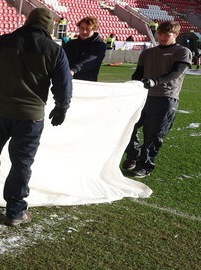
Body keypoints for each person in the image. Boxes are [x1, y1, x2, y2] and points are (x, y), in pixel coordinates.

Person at [0, 8, 72, 226]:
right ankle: (15, 211)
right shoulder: (54, 49)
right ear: (49, 26)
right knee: (22, 163)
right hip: (30, 116)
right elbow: (63, 84)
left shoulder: (6, 40)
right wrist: (62, 107)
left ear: (28, 21)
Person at [122, 21, 192, 179]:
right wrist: (132, 84)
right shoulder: (148, 53)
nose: (162, 37)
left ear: (175, 35)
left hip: (165, 98)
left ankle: (144, 166)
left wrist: (155, 81)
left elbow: (176, 72)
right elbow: (138, 74)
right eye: (160, 34)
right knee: (127, 125)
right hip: (142, 97)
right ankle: (133, 154)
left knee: (153, 135)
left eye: (167, 35)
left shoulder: (182, 51)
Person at [62, 16, 107, 81]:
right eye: (82, 28)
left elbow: (89, 61)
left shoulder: (99, 45)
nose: (84, 31)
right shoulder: (70, 44)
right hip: (67, 80)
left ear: (94, 29)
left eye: (88, 29)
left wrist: (73, 70)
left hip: (86, 83)